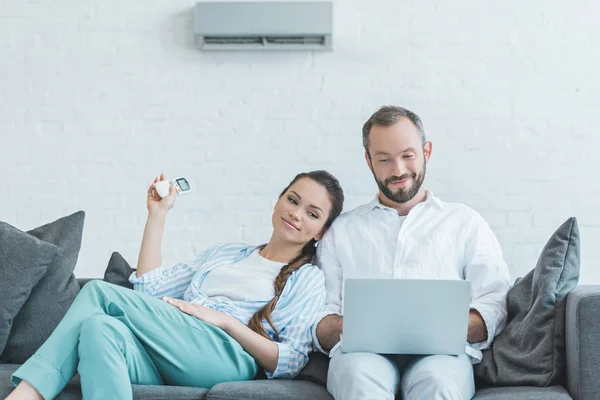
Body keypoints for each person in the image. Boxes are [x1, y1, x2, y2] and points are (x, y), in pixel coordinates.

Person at [8, 170, 344, 400]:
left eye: (312, 214)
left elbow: (291, 360)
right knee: (99, 329)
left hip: (226, 354)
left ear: (320, 232)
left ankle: (28, 393)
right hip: (178, 346)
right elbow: (149, 290)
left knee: (97, 292)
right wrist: (158, 214)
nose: (297, 213)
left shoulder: (308, 278)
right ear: (278, 201)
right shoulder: (224, 253)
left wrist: (225, 322)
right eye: (293, 200)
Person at [313, 106, 511, 400]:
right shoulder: (342, 230)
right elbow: (319, 316)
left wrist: (438, 325)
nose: (398, 170)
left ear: (426, 151)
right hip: (361, 354)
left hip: (442, 355)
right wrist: (360, 326)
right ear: (368, 161)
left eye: (408, 155)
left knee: (438, 383)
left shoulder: (465, 222)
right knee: (358, 378)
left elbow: (495, 301)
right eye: (384, 159)